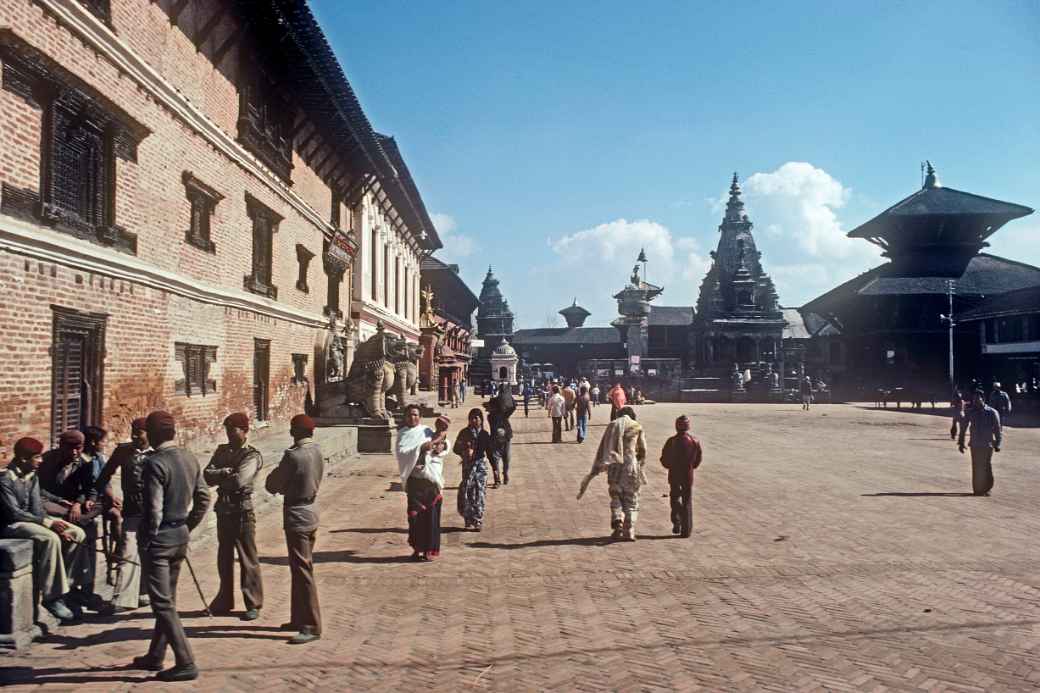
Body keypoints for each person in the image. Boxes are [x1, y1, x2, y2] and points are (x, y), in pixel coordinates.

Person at [133, 410, 210, 681]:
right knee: (168, 600)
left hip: (161, 539)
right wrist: (187, 526)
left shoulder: (155, 463)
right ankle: (155, 655)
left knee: (162, 603)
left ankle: (185, 661)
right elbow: (203, 498)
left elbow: (153, 510)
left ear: (153, 435)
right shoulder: (189, 457)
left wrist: (147, 538)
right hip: (180, 537)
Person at [0, 437, 83, 622]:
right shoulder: (4, 479)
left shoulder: (32, 475)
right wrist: (48, 524)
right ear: (23, 458)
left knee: (77, 533)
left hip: (29, 521)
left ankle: (65, 589)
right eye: (37, 457)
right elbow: (14, 513)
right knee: (50, 538)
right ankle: (52, 597)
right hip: (10, 525)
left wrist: (56, 526)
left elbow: (37, 508)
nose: (41, 461)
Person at [265, 414, 324, 645]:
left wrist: (280, 484)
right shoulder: (317, 451)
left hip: (297, 514)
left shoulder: (293, 456)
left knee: (302, 569)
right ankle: (298, 617)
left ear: (296, 432)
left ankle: (311, 624)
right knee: (298, 566)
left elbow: (273, 484)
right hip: (311, 511)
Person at [203, 412, 264, 620]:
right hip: (223, 509)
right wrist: (223, 473)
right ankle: (224, 599)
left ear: (244, 431)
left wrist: (221, 475)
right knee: (224, 557)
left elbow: (240, 481)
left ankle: (253, 602)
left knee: (248, 558)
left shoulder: (252, 455)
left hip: (242, 510)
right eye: (227, 430)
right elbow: (206, 476)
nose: (229, 434)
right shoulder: (222, 451)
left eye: (233, 430)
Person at [38, 430, 106, 614]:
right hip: (52, 503)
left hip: (73, 505)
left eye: (79, 448)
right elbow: (40, 490)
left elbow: (89, 487)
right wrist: (62, 503)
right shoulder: (46, 461)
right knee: (78, 528)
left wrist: (80, 502)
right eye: (71, 448)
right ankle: (69, 591)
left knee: (90, 526)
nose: (75, 452)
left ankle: (85, 590)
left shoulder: (86, 462)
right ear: (61, 445)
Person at [95, 418, 152, 612]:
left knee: (150, 552)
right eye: (133, 431)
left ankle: (144, 591)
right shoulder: (123, 451)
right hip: (132, 510)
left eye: (140, 432)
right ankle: (123, 599)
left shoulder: (160, 454)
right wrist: (109, 496)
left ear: (149, 433)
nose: (135, 436)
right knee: (128, 550)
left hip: (155, 511)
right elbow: (104, 476)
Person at [577, 406, 647, 541]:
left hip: (614, 466)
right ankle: (629, 531)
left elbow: (605, 445)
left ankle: (617, 521)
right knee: (631, 499)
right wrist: (640, 462)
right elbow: (643, 449)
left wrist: (601, 464)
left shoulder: (613, 425)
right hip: (630, 467)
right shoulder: (636, 426)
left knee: (616, 496)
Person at [396, 407, 450, 561]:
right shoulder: (402, 434)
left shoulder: (426, 431)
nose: (413, 417)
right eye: (410, 415)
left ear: (420, 417)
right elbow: (403, 453)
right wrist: (419, 448)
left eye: (415, 415)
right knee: (414, 517)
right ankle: (416, 548)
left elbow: (442, 444)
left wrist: (441, 446)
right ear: (405, 417)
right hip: (414, 480)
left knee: (430, 517)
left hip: (430, 480)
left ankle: (429, 550)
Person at [660, 416, 702, 538]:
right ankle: (686, 529)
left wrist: (670, 465)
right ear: (688, 426)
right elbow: (698, 460)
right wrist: (690, 467)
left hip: (674, 474)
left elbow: (664, 459)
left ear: (676, 426)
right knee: (687, 500)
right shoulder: (695, 441)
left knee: (674, 498)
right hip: (687, 475)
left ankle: (677, 520)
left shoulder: (671, 441)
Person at [958, 389, 1002, 496]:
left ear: (983, 399)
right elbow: (963, 427)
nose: (976, 401)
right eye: (974, 399)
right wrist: (961, 442)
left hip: (987, 444)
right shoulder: (970, 412)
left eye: (978, 399)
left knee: (986, 466)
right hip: (975, 444)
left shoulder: (992, 412)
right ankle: (977, 490)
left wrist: (998, 443)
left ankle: (987, 488)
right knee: (976, 466)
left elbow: (997, 429)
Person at [453, 408, 491, 529]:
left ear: (481, 420)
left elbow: (489, 452)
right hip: (468, 466)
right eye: (471, 418)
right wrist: (464, 451)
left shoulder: (484, 434)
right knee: (468, 491)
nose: (474, 420)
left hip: (480, 466)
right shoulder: (464, 433)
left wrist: (495, 470)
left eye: (476, 418)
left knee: (480, 491)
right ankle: (468, 518)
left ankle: (478, 518)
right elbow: (455, 448)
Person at [485, 384, 516, 486]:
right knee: (495, 459)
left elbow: (513, 407)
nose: (488, 409)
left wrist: (509, 396)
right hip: (495, 439)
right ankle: (497, 479)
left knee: (506, 459)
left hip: (506, 437)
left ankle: (505, 473)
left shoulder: (503, 414)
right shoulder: (491, 417)